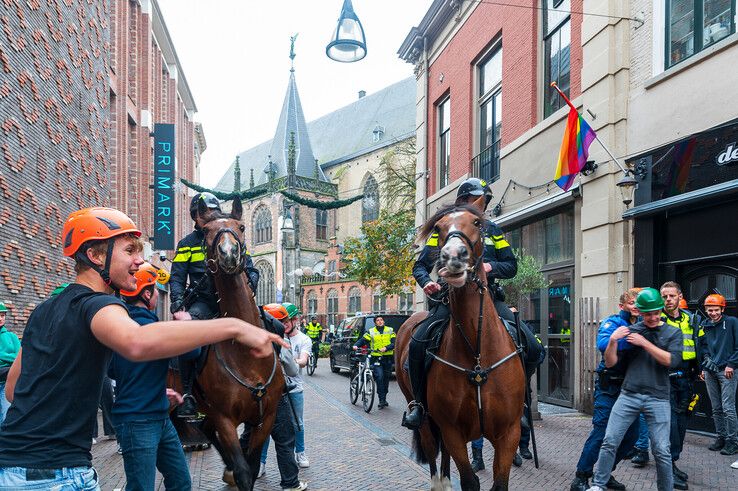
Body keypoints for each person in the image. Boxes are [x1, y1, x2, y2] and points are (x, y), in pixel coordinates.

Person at [0, 207, 285, 490]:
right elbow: (137, 342)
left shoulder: (44, 309)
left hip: (17, 468)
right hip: (57, 476)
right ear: (96, 256)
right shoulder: (100, 304)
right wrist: (235, 327)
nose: (139, 261)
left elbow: (14, 389)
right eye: (129, 251)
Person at [403, 177, 518, 430]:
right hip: (450, 299)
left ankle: (521, 400)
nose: (478, 204)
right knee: (418, 342)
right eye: (470, 200)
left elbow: (512, 266)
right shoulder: (444, 230)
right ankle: (419, 405)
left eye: (482, 200)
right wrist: (426, 283)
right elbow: (421, 265)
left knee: (529, 344)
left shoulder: (494, 230)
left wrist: (490, 266)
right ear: (460, 202)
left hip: (488, 299)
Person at [169, 192, 260, 419]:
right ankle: (189, 393)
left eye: (213, 212)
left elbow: (249, 266)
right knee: (187, 340)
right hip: (204, 302)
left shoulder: (227, 233)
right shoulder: (187, 244)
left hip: (236, 298)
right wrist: (177, 302)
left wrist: (253, 279)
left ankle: (280, 380)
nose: (210, 216)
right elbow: (177, 278)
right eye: (205, 213)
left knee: (273, 325)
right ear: (196, 217)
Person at [586, 288, 683, 491]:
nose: (653, 317)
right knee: (610, 441)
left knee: (661, 450)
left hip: (658, 398)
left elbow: (672, 361)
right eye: (648, 314)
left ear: (661, 310)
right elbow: (611, 363)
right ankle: (598, 485)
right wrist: (613, 340)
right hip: (629, 395)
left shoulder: (673, 332)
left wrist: (644, 343)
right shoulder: (633, 330)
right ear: (640, 312)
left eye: (656, 312)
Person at [110, 262, 194, 491]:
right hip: (140, 422)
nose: (157, 294)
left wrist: (152, 387)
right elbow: (192, 352)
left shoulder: (118, 327)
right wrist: (186, 325)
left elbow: (111, 370)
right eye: (156, 290)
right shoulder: (153, 327)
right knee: (178, 484)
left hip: (154, 416)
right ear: (147, 294)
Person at [569, 288, 641, 491]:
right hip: (610, 387)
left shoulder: (645, 324)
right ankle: (581, 476)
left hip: (632, 389)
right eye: (631, 302)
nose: (635, 306)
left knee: (631, 437)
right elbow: (602, 344)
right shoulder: (613, 322)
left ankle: (605, 473)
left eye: (638, 303)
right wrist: (636, 342)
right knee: (601, 432)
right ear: (622, 306)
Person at [246, 302, 307, 491]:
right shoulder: (279, 339)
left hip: (252, 397)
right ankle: (290, 482)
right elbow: (291, 368)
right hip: (275, 396)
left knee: (251, 436)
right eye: (284, 321)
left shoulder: (249, 338)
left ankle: (239, 473)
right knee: (285, 438)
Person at [659, 281, 700, 489]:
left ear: (679, 296)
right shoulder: (657, 320)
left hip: (686, 378)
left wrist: (701, 367)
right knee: (670, 426)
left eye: (671, 296)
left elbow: (701, 343)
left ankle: (673, 463)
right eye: (664, 296)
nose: (668, 300)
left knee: (682, 425)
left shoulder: (691, 320)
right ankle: (668, 469)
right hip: (665, 379)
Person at [698, 293, 738, 456]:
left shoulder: (732, 322)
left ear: (722, 309)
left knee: (728, 407)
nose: (713, 313)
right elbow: (703, 346)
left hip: (727, 370)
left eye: (716, 310)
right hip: (710, 371)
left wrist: (731, 364)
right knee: (716, 408)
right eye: (709, 310)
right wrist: (705, 364)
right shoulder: (705, 325)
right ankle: (720, 437)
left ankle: (732, 441)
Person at [352, 316, 396, 409]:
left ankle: (384, 397)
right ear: (375, 323)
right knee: (379, 377)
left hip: (387, 358)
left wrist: (386, 348)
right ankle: (381, 400)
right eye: (378, 320)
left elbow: (394, 343)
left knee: (386, 379)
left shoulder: (390, 330)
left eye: (381, 320)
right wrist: (356, 345)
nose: (380, 321)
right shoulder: (371, 331)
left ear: (383, 321)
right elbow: (363, 340)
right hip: (376, 358)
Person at [0, 302, 20, 425]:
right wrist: (9, 358)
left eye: (2, 315)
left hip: (7, 383)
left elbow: (18, 358)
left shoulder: (12, 337)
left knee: (7, 416)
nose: (0, 318)